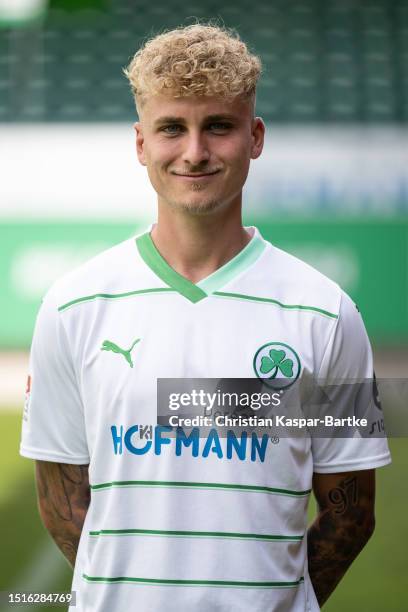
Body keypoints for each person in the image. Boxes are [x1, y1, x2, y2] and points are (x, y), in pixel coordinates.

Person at [20, 23, 391, 612]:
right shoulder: (72, 306)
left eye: (218, 125)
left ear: (255, 136)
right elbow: (61, 504)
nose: (194, 151)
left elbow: (354, 513)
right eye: (173, 128)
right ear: (141, 143)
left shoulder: (327, 313)